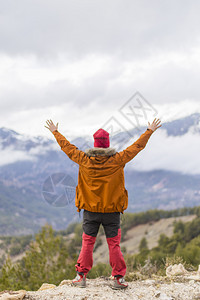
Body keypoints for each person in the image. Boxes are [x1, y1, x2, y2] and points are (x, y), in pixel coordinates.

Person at [45, 118, 162, 289]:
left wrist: (55, 132)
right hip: (112, 211)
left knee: (88, 243)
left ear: (94, 144)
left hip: (90, 211)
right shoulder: (118, 160)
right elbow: (137, 146)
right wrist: (149, 131)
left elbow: (67, 148)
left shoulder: (84, 159)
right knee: (113, 244)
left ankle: (81, 277)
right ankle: (118, 279)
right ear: (107, 145)